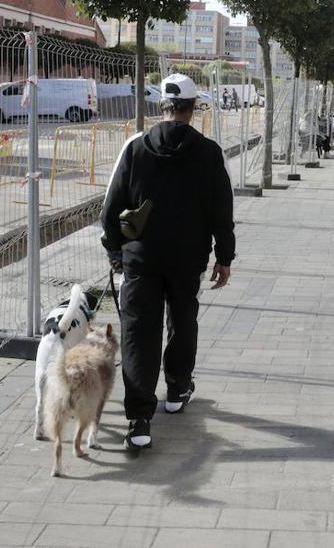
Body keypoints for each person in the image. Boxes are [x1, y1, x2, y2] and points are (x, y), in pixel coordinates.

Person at [100, 73, 235, 451]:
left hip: (140, 259)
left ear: (163, 107)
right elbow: (222, 210)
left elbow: (111, 208)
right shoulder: (209, 152)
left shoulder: (135, 147)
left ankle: (140, 419)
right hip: (188, 257)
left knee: (139, 333)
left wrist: (115, 251)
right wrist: (224, 256)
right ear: (193, 109)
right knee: (183, 319)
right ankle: (177, 390)